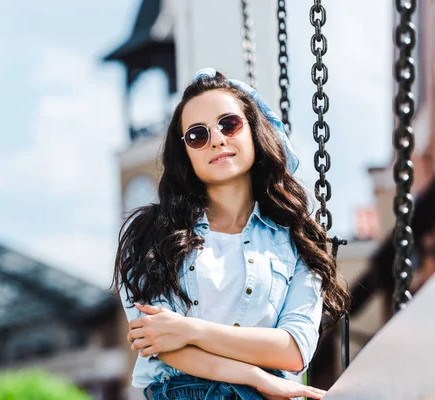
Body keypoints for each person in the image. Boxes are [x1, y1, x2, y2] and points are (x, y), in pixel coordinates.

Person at [112, 68, 350, 400]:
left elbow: (294, 349)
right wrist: (256, 376)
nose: (218, 140)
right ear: (186, 153)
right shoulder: (149, 235)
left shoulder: (298, 240)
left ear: (253, 131)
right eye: (198, 135)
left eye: (229, 124)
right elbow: (156, 341)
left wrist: (188, 329)